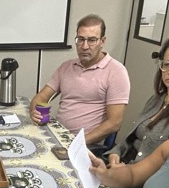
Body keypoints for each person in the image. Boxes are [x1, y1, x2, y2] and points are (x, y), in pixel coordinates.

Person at [29, 14, 130, 146]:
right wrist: (34, 111)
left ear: (102, 42)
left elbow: (114, 123)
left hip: (86, 145)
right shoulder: (66, 66)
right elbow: (41, 97)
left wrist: (76, 143)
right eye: (80, 39)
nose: (84, 46)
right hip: (58, 136)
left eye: (92, 40)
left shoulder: (116, 72)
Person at [108, 32, 169, 163]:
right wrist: (115, 154)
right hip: (123, 163)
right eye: (166, 64)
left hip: (140, 173)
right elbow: (131, 138)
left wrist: (125, 171)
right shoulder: (156, 98)